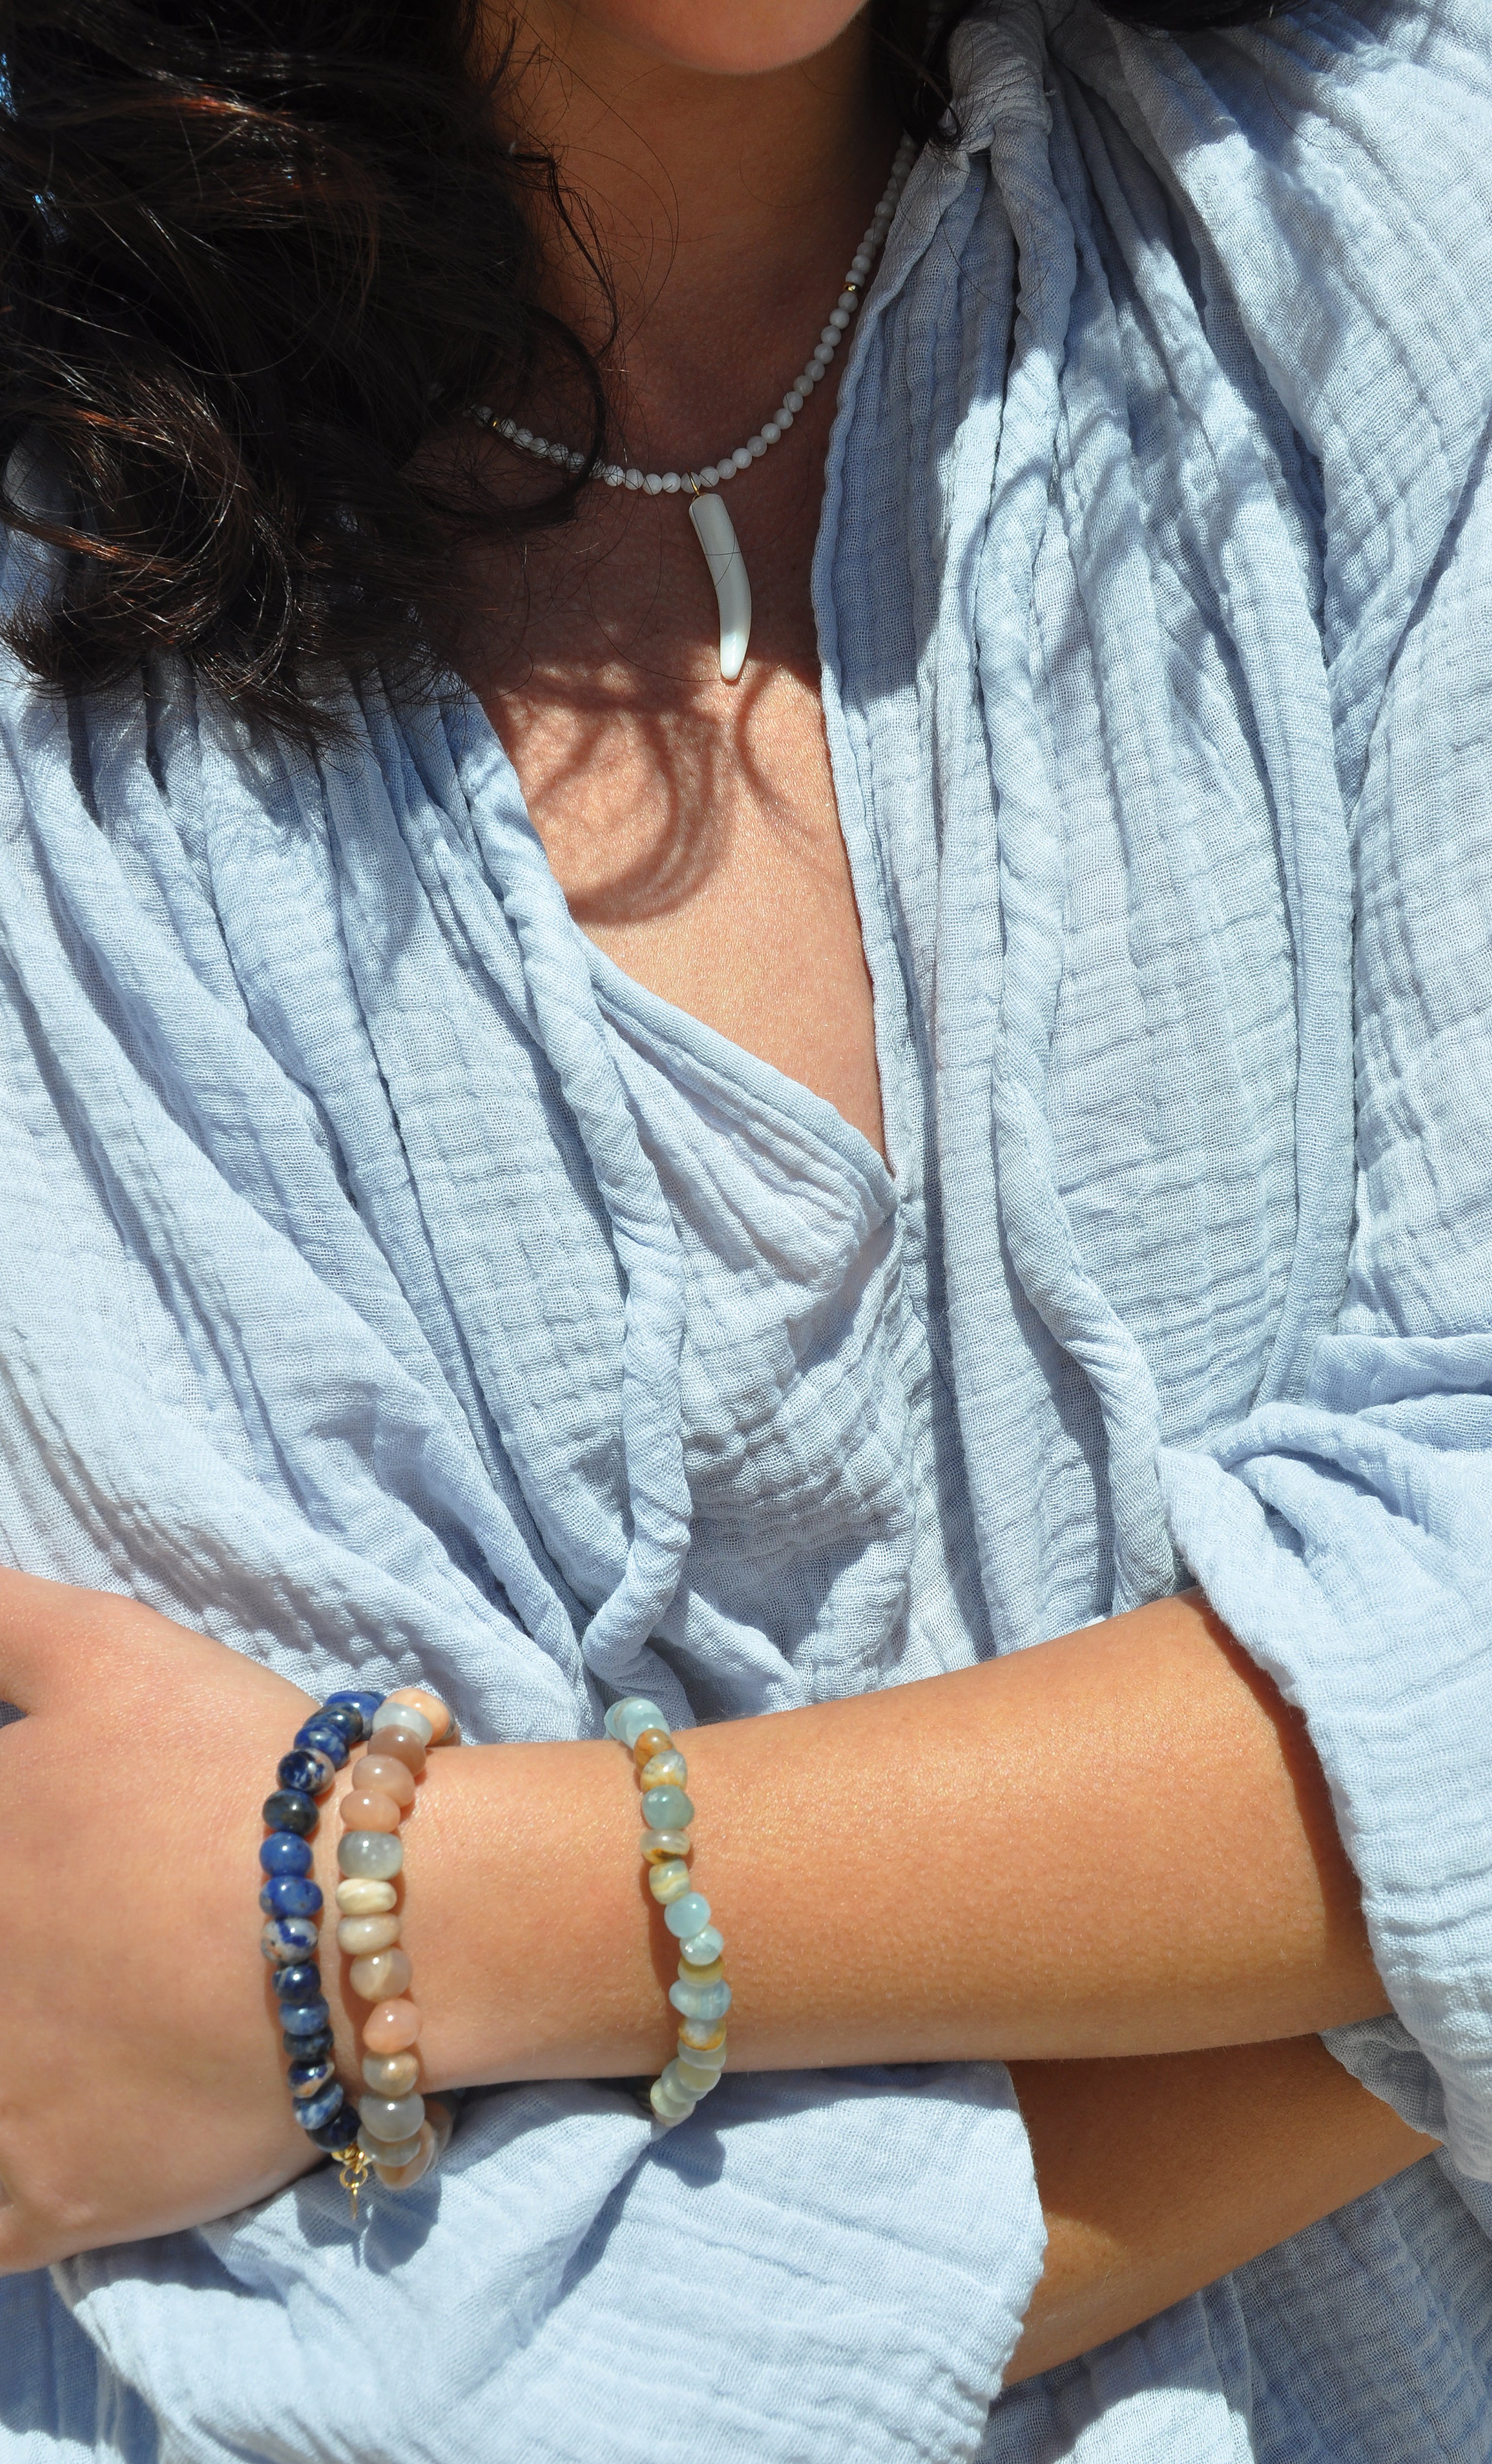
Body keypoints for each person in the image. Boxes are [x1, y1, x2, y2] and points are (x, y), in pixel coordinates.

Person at [0, 0, 1489, 2453]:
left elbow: (236, 2039)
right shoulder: (67, 571)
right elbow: (358, 2322)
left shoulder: (1392, 227)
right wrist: (1407, 1935)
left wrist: (398, 1915)